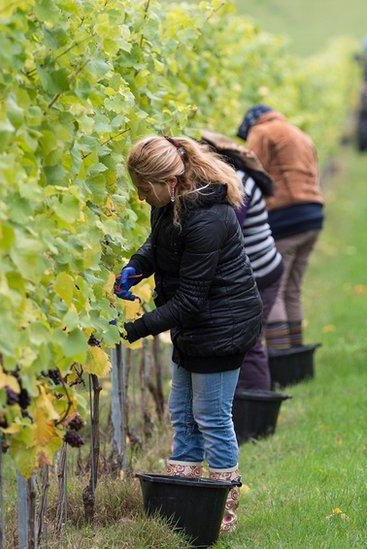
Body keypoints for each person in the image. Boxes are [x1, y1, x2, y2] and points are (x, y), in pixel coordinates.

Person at [116, 135, 262, 533]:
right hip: (195, 328)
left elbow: (191, 300)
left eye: (146, 189)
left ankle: (220, 514)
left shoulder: (208, 218)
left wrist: (134, 329)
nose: (143, 198)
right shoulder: (169, 205)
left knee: (212, 418)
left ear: (170, 180)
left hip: (222, 327)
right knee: (183, 414)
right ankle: (185, 500)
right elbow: (156, 245)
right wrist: (135, 266)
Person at [200, 131, 284, 392]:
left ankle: (257, 408)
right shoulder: (229, 180)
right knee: (245, 342)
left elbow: (227, 231)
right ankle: (249, 405)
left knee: (249, 342)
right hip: (257, 272)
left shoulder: (238, 183)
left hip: (260, 275)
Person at [239, 105, 323, 350]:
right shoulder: (299, 134)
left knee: (273, 286)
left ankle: (280, 358)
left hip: (287, 217)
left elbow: (251, 173)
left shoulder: (261, 132)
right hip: (313, 216)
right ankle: (296, 353)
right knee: (293, 288)